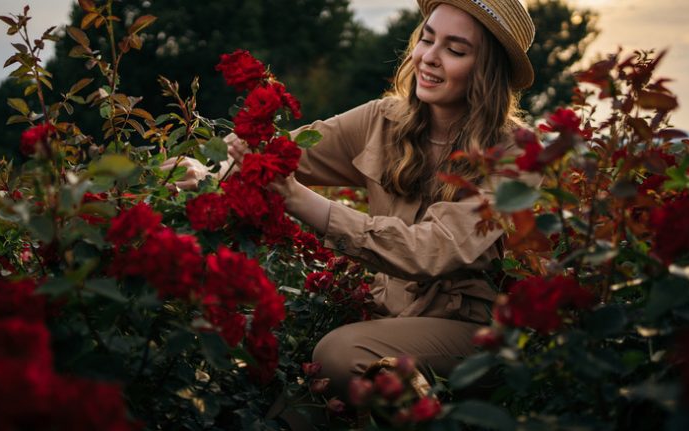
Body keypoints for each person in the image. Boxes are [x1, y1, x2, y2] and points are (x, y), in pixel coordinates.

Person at [166, 0, 536, 419]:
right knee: (280, 403)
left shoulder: (515, 154)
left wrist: (299, 199)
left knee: (339, 354)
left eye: (455, 50)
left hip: (474, 334)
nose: (429, 58)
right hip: (387, 317)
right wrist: (202, 170)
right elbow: (280, 156)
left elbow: (432, 250)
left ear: (486, 70)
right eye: (427, 39)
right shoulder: (384, 119)